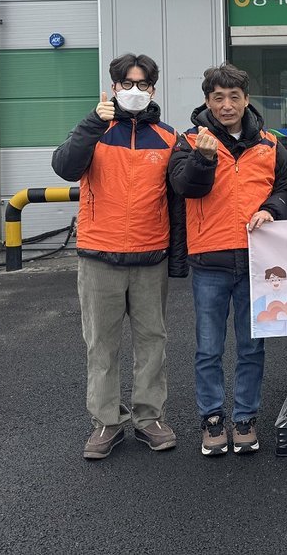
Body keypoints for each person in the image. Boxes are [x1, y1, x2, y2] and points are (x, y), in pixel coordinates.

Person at [51, 53, 179, 460]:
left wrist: (177, 256)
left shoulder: (169, 137)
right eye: (127, 83)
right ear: (114, 87)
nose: (134, 91)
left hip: (150, 254)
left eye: (142, 84)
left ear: (153, 90)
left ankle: (149, 418)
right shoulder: (94, 129)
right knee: (101, 345)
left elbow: (178, 197)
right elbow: (64, 167)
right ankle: (106, 421)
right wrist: (92, 121)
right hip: (98, 255)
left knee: (153, 342)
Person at [168, 63, 287, 457]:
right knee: (209, 348)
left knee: (252, 347)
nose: (226, 105)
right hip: (209, 260)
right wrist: (204, 159)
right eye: (218, 98)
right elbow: (184, 186)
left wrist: (272, 208)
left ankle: (245, 419)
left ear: (246, 100)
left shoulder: (270, 144)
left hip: (257, 261)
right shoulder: (190, 141)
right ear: (208, 101)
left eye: (233, 97)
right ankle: (211, 420)